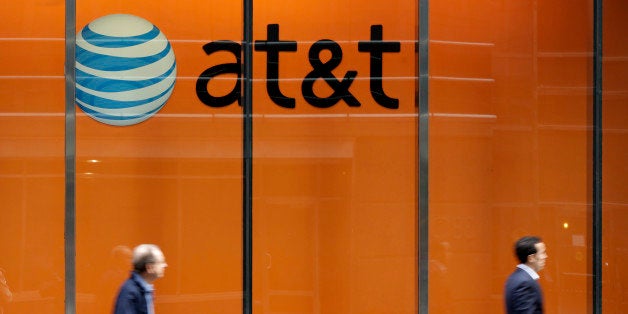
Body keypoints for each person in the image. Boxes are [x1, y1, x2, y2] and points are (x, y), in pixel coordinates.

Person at [113, 244, 167, 314]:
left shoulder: (145, 289)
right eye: (161, 262)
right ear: (149, 268)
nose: (165, 265)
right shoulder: (130, 292)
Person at [504, 236, 548, 314]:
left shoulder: (516, 278)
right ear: (531, 258)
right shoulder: (525, 283)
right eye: (542, 253)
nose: (545, 256)